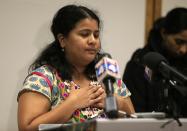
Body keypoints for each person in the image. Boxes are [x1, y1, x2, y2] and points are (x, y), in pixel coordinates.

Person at [17, 4, 135, 131]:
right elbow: (27, 128)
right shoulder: (44, 78)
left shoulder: (107, 74)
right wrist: (72, 103)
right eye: (85, 34)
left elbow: (136, 123)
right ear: (62, 40)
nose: (93, 41)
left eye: (96, 35)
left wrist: (119, 103)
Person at [122, 7, 187, 117]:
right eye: (179, 42)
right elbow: (133, 113)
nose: (183, 50)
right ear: (163, 33)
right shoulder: (140, 63)